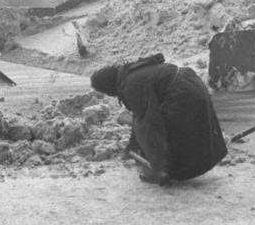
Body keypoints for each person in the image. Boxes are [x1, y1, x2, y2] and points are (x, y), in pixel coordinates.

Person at [90, 53, 227, 185]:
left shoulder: (131, 85)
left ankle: (168, 170)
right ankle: (180, 165)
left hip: (181, 91)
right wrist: (134, 145)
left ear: (107, 86)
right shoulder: (131, 73)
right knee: (187, 131)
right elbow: (140, 115)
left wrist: (159, 167)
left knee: (162, 129)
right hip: (192, 82)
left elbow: (148, 124)